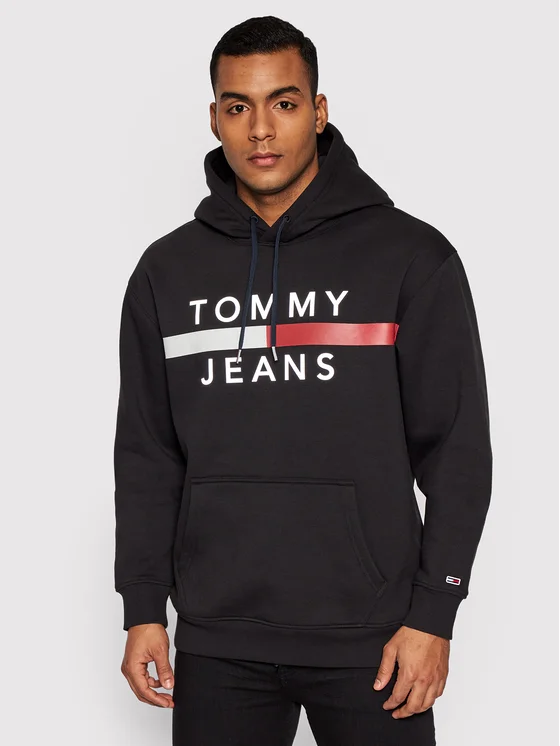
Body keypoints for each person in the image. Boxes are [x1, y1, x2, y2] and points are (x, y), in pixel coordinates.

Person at [113, 15, 493, 746]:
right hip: (218, 638)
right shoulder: (166, 272)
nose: (261, 129)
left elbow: (457, 451)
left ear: (318, 112)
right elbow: (148, 454)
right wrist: (142, 608)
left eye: (283, 103)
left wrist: (434, 616)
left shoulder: (411, 258)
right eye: (238, 106)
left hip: (376, 639)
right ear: (215, 118)